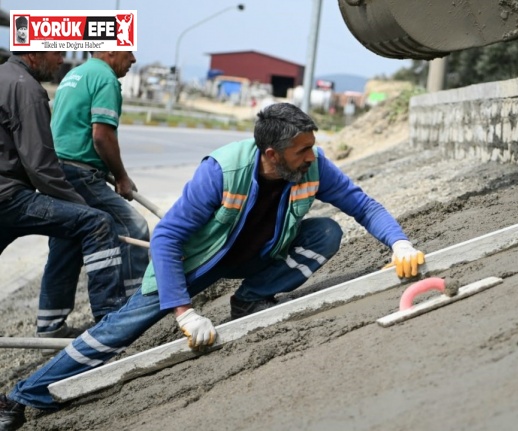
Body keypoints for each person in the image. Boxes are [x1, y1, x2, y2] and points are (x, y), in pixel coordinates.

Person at [0, 103, 425, 428]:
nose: (312, 157)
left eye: (312, 148)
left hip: (258, 257)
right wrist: (183, 311)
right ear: (272, 154)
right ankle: (21, 397)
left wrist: (400, 243)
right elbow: (166, 237)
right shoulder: (223, 171)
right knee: (115, 332)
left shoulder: (314, 167)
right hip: (195, 264)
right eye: (303, 150)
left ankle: (251, 298)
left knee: (325, 233)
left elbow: (363, 206)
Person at [0, 53, 127, 343]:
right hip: (9, 198)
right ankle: (112, 329)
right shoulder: (27, 89)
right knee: (97, 223)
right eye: (57, 53)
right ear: (34, 54)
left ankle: (51, 328)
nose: (62, 60)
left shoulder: (5, 78)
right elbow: (41, 166)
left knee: (70, 231)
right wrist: (78, 204)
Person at [45, 50, 148, 337]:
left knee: (66, 243)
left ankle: (50, 325)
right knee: (133, 227)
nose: (133, 60)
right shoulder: (105, 78)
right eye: (130, 52)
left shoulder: (75, 74)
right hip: (79, 173)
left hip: (58, 171)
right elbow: (102, 136)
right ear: (111, 50)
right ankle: (133, 310)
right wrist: (123, 178)